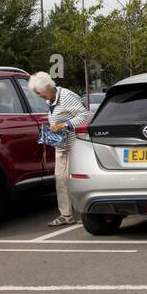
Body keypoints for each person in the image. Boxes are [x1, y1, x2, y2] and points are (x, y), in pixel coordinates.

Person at [28, 72, 89, 227]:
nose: (38, 95)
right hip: (61, 145)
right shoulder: (52, 99)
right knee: (60, 179)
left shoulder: (67, 96)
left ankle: (85, 211)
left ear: (48, 87)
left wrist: (64, 125)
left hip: (74, 145)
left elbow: (84, 115)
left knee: (71, 179)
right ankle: (66, 214)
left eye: (39, 92)